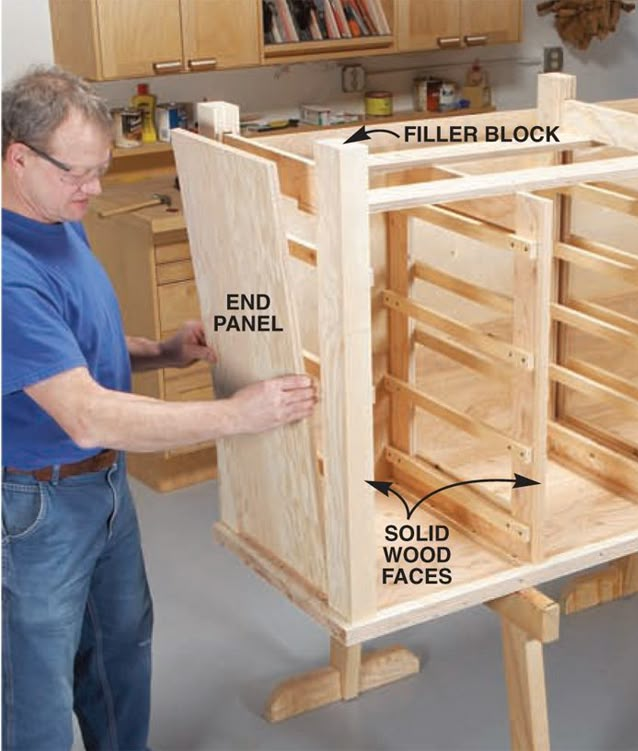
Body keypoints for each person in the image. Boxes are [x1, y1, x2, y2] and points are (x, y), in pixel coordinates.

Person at [1, 65, 316, 751]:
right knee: (38, 694)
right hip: (37, 510)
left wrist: (161, 352)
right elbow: (85, 411)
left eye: (101, 169)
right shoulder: (6, 271)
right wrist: (239, 415)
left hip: (104, 487)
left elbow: (78, 348)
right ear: (18, 158)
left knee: (120, 656)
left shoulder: (57, 214)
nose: (95, 188)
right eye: (78, 173)